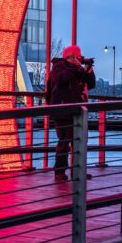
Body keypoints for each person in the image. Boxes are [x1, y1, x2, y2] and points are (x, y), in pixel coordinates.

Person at [46, 45, 96, 182]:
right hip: (63, 111)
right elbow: (61, 79)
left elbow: (91, 84)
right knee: (64, 143)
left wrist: (88, 70)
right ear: (70, 57)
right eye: (77, 57)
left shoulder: (77, 69)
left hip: (78, 111)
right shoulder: (58, 66)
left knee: (80, 143)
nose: (79, 60)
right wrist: (76, 67)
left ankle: (78, 171)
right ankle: (59, 172)